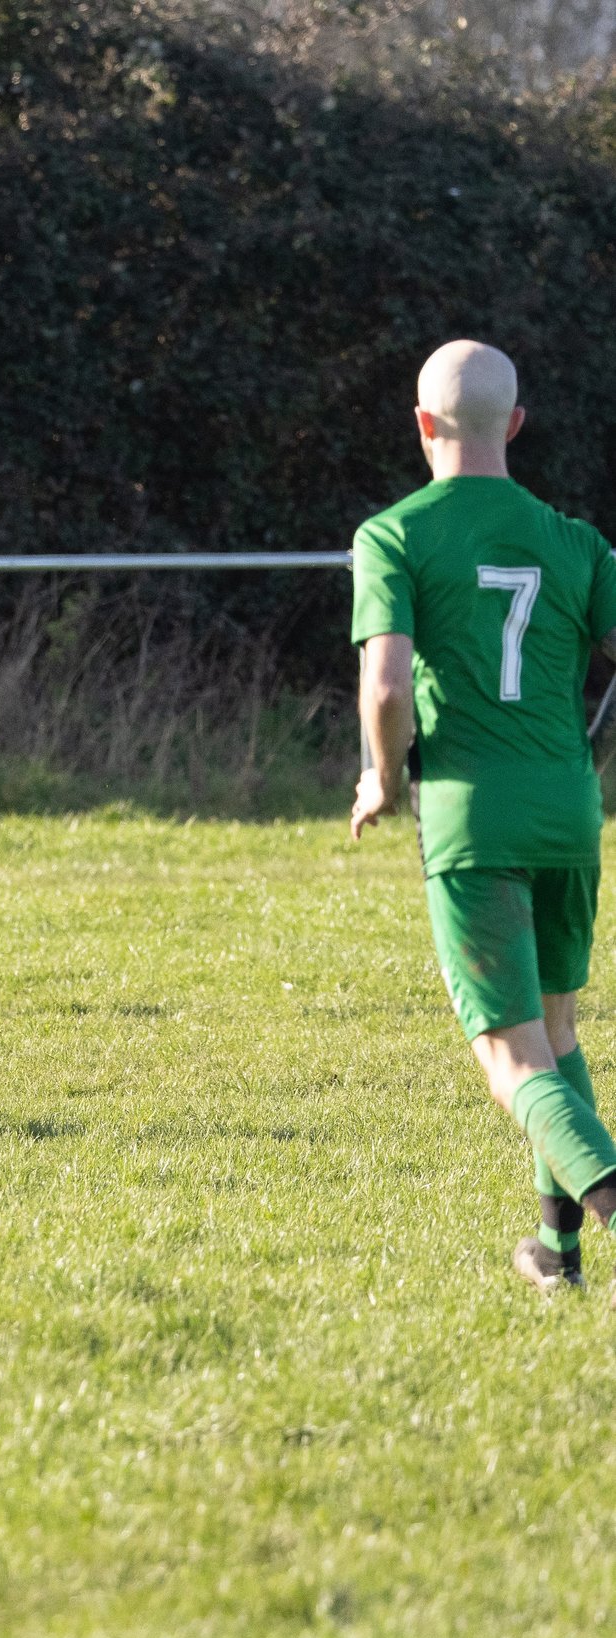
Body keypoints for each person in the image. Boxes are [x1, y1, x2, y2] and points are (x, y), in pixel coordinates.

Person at [350, 339, 616, 1294]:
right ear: (515, 425)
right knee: (556, 1032)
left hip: (472, 817)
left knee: (510, 1060)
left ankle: (609, 1199)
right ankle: (558, 1256)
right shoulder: (578, 541)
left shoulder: (395, 534)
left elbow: (385, 684)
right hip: (568, 811)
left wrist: (381, 777)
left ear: (422, 425)